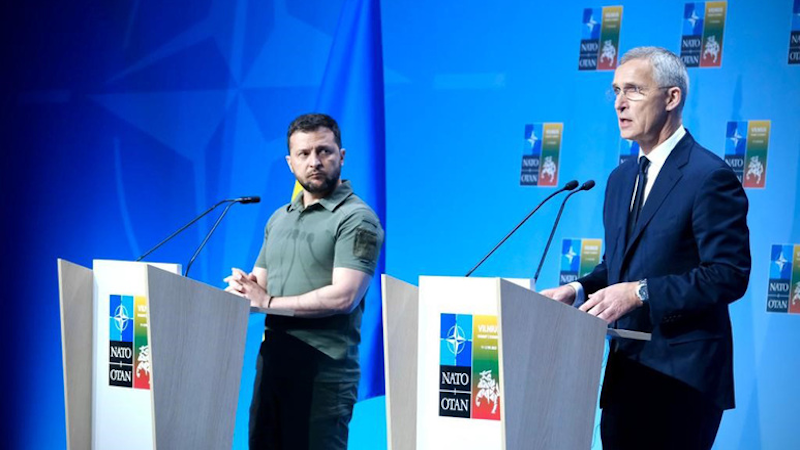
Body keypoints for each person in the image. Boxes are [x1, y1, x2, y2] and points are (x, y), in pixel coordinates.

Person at [540, 47, 750, 450]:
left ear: (671, 98)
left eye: (634, 90)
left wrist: (638, 293)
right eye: (616, 90)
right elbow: (617, 266)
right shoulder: (620, 179)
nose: (620, 102)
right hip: (626, 375)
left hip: (683, 380)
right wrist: (579, 290)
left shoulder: (710, 177)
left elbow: (727, 274)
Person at [224, 113, 384, 450]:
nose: (315, 161)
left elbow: (345, 296)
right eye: (304, 154)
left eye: (324, 151)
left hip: (325, 373)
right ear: (290, 163)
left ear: (341, 156)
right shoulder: (279, 218)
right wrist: (238, 292)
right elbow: (259, 286)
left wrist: (266, 303)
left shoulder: (357, 219)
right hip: (273, 365)